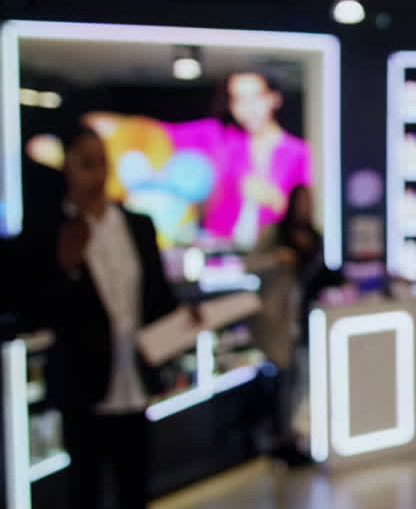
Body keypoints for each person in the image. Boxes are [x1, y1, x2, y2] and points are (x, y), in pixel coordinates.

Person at [18, 128, 187, 509]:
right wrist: (66, 266)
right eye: (83, 163)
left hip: (133, 387)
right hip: (83, 392)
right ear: (67, 169)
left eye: (99, 163)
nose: (93, 173)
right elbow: (35, 310)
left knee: (138, 506)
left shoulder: (137, 225)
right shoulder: (50, 234)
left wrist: (186, 325)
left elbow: (157, 300)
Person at [81, 68, 311, 248]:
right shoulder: (217, 137)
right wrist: (115, 125)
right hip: (221, 249)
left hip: (274, 253)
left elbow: (307, 208)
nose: (247, 108)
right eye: (238, 99)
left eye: (255, 97)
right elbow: (160, 134)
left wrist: (277, 201)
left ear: (274, 98)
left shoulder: (300, 152)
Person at [247, 184, 343, 468]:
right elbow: (249, 264)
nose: (306, 206)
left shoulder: (315, 236)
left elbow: (322, 274)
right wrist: (276, 258)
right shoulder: (274, 233)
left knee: (301, 381)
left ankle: (295, 436)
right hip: (278, 319)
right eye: (302, 201)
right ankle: (282, 440)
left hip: (308, 318)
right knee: (284, 380)